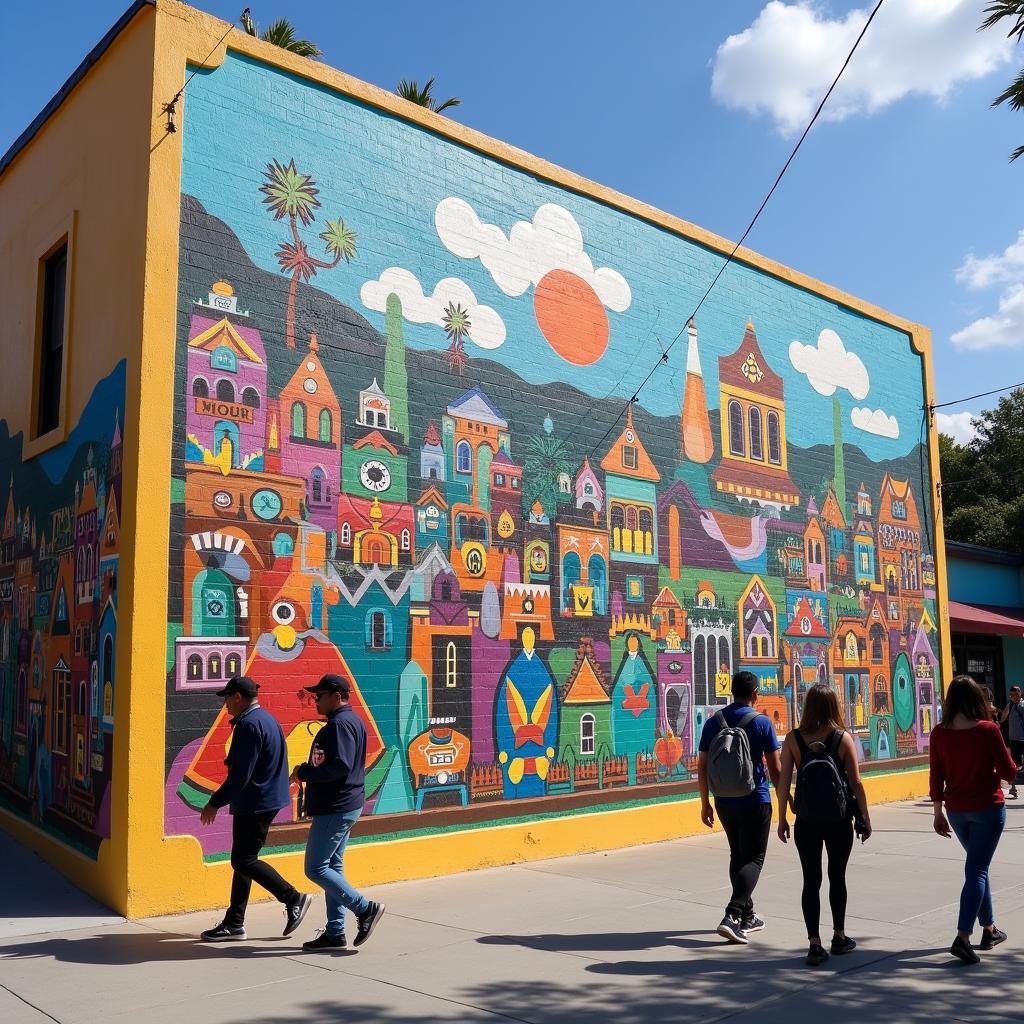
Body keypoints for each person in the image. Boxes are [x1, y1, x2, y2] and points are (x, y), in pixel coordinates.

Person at [199, 676, 312, 942]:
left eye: (227, 698)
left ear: (238, 697)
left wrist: (214, 802)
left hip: (256, 802)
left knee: (243, 860)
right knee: (243, 859)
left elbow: (240, 776)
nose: (225, 704)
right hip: (262, 799)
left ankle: (293, 897)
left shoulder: (249, 725)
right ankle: (234, 922)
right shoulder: (266, 719)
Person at [776, 684, 872, 967]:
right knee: (837, 877)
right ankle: (839, 936)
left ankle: (814, 944)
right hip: (838, 819)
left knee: (810, 880)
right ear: (834, 706)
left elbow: (783, 784)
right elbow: (856, 782)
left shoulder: (793, 739)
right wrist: (865, 816)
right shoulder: (843, 738)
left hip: (806, 820)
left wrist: (782, 818)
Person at [293, 673, 386, 951]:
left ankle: (364, 908)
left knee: (315, 868)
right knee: (332, 867)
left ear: (336, 695)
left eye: (319, 696)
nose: (315, 700)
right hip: (344, 804)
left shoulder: (340, 725)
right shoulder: (349, 722)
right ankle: (335, 932)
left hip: (336, 807)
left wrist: (304, 771)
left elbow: (340, 767)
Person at [930, 674, 1018, 964]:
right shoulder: (988, 730)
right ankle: (962, 937)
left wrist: (937, 812)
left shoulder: (939, 733)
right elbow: (1008, 772)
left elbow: (936, 777)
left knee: (977, 867)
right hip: (987, 809)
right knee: (977, 870)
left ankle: (989, 929)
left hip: (956, 811)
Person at [698, 670, 782, 944]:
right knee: (754, 859)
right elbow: (776, 769)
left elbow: (701, 767)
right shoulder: (762, 723)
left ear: (731, 692)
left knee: (737, 855)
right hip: (755, 799)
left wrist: (705, 803)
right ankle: (732, 915)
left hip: (724, 801)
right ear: (755, 694)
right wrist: (785, 801)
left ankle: (748, 916)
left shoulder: (713, 723)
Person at [999, 685, 1024, 799]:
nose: (1014, 696)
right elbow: (1003, 719)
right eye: (1012, 695)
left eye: (1016, 694)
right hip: (1014, 739)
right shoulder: (1010, 705)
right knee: (1014, 764)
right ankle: (1013, 788)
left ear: (1020, 693)